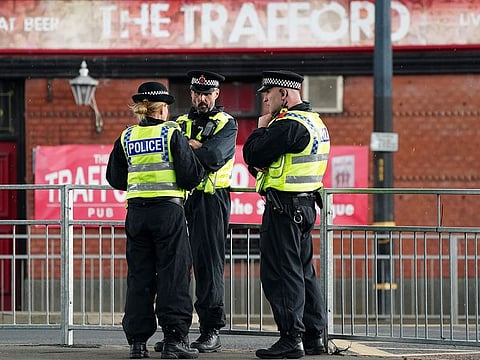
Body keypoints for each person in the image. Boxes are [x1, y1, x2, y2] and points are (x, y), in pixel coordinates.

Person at [106, 81, 205, 359]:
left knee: (140, 276)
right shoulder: (171, 133)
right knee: (173, 274)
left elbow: (114, 178)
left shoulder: (126, 136)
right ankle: (175, 340)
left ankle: (138, 343)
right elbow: (192, 176)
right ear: (162, 109)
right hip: (168, 212)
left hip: (137, 213)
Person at [242, 70, 331, 359]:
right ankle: (314, 336)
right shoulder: (315, 122)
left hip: (285, 209)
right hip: (303, 207)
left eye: (267, 95)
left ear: (284, 94)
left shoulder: (288, 125)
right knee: (303, 273)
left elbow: (253, 155)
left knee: (282, 273)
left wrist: (260, 127)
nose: (264, 101)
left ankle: (291, 338)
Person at [155, 70, 237, 353]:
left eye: (207, 93)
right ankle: (176, 333)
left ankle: (211, 329)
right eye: (197, 93)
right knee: (174, 265)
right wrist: (197, 149)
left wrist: (188, 150)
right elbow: (168, 157)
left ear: (216, 94)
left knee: (207, 264)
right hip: (180, 199)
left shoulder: (227, 123)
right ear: (190, 94)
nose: (201, 99)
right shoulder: (178, 122)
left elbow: (214, 157)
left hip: (210, 200)